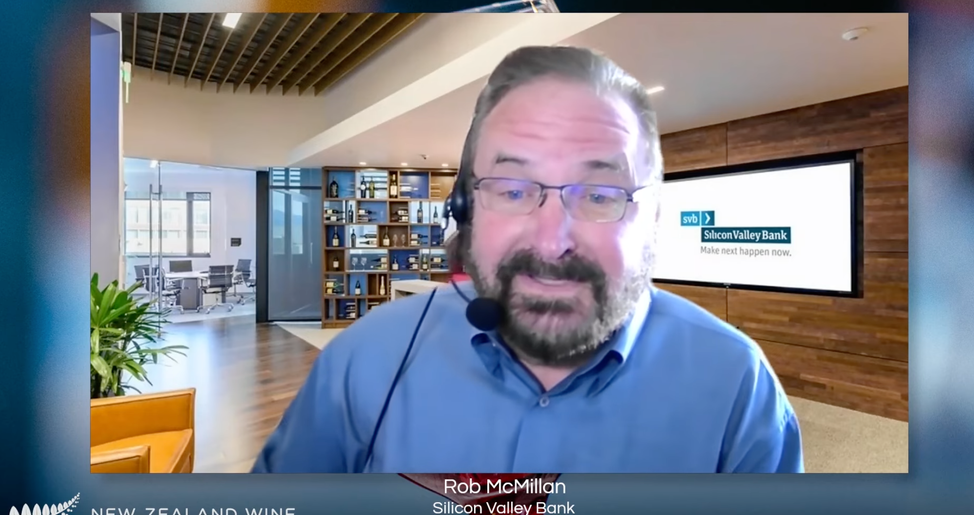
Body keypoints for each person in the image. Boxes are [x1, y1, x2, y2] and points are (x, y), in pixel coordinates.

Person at [252, 45, 804, 473]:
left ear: (653, 216)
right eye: (513, 190)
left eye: (600, 195)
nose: (551, 241)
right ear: (466, 207)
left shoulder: (736, 383)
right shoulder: (365, 359)